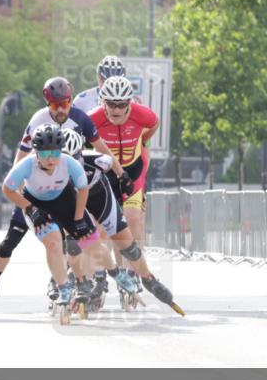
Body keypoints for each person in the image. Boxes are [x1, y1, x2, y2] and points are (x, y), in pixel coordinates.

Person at [0, 77, 122, 317]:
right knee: (11, 240)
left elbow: (101, 147)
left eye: (65, 103)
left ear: (71, 100)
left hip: (66, 186)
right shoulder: (38, 120)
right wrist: (25, 202)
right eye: (55, 105)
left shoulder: (80, 117)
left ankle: (78, 282)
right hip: (34, 191)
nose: (61, 109)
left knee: (74, 237)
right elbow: (21, 159)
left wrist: (121, 173)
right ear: (47, 103)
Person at [60, 128, 183, 315]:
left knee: (128, 247)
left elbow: (114, 163)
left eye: (75, 158)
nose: (70, 164)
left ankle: (148, 278)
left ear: (81, 153)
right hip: (74, 201)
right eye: (64, 159)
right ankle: (80, 281)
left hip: (100, 197)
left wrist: (123, 177)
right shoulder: (47, 167)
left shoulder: (96, 159)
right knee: (74, 244)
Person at [0, 123, 98, 313]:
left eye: (55, 153)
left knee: (87, 241)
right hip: (38, 206)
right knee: (53, 242)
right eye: (44, 154)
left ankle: (86, 279)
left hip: (64, 201)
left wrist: (79, 219)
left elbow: (83, 189)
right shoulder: (27, 164)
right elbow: (7, 189)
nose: (50, 158)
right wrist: (29, 208)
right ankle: (63, 288)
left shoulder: (69, 162)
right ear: (36, 152)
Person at [88, 75, 159, 289]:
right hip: (106, 172)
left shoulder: (143, 115)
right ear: (103, 102)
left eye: (121, 105)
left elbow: (154, 124)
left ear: (130, 102)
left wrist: (143, 140)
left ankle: (133, 271)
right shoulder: (92, 118)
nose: (117, 110)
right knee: (100, 227)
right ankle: (99, 275)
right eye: (111, 104)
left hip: (132, 171)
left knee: (133, 218)